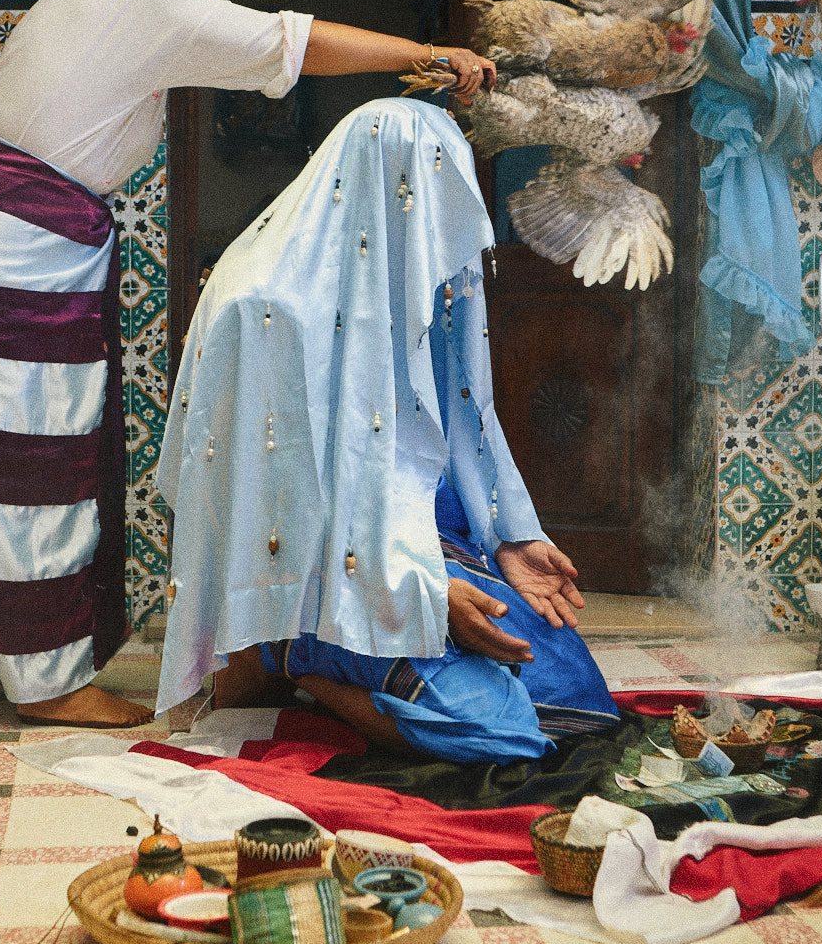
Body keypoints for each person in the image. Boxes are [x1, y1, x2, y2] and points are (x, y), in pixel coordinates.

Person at [0, 0, 498, 728]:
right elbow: (291, 42)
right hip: (11, 253)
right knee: (30, 465)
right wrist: (427, 56)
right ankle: (51, 683)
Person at [155, 97, 620, 762]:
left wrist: (507, 534)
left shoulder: (420, 276)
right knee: (499, 732)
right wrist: (419, 595)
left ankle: (352, 650)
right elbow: (263, 513)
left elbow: (464, 415)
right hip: (306, 572)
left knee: (576, 699)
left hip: (411, 542)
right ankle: (293, 651)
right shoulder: (262, 307)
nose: (438, 233)